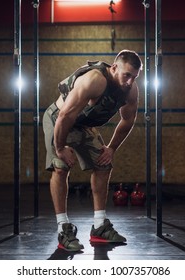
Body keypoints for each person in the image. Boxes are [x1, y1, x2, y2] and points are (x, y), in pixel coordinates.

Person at [43, 50, 142, 252]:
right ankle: (63, 228)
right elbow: (65, 115)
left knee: (104, 164)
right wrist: (60, 148)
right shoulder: (94, 80)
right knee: (60, 168)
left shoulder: (130, 90)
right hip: (58, 119)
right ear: (114, 68)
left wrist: (112, 148)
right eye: (127, 75)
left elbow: (128, 119)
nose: (130, 82)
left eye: (135, 77)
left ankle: (99, 226)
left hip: (83, 125)